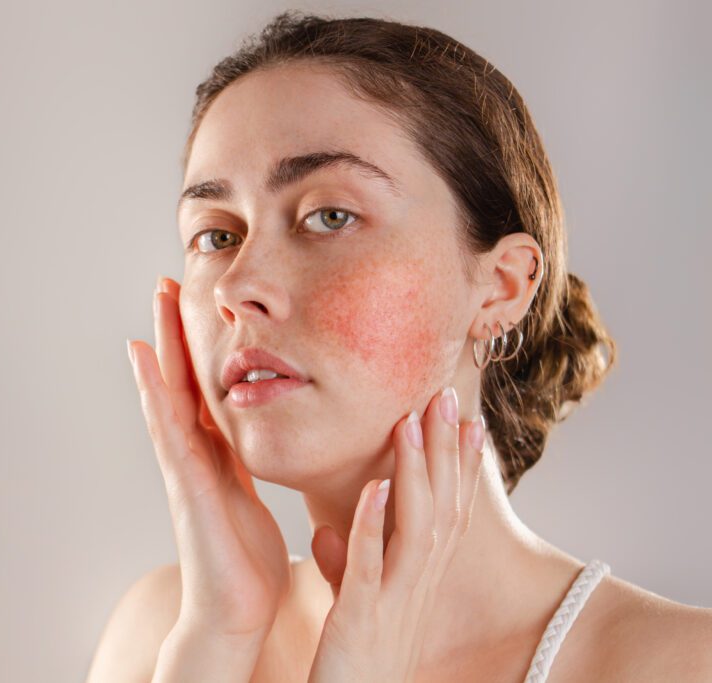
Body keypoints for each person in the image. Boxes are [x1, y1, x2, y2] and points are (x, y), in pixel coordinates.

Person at [88, 11, 712, 682]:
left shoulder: (679, 663)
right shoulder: (163, 635)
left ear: (501, 286)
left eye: (330, 216)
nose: (238, 286)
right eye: (216, 234)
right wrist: (217, 637)